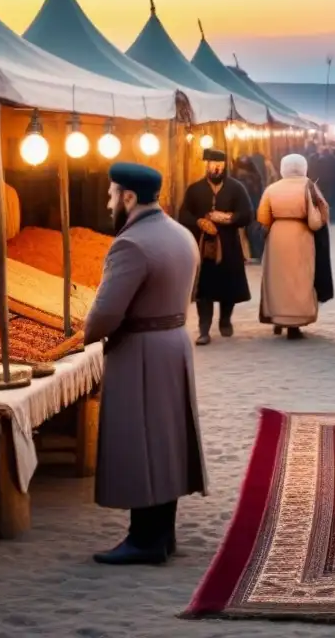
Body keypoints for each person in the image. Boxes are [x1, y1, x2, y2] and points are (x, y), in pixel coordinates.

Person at [85, 162, 206, 565]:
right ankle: (161, 534)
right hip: (174, 342)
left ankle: (145, 539)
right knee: (165, 441)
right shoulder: (181, 233)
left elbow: (105, 313)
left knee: (141, 443)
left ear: (129, 197)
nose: (108, 202)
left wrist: (84, 335)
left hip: (141, 349)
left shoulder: (130, 243)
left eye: (111, 194)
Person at [179, 149, 254, 345]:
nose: (216, 169)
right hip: (203, 246)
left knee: (227, 283)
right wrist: (199, 222)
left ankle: (225, 319)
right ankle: (204, 330)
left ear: (225, 167)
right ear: (207, 166)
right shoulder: (194, 189)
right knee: (204, 288)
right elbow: (183, 215)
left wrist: (230, 218)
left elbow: (247, 214)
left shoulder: (236, 188)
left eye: (219, 166)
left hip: (228, 244)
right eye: (212, 165)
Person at [257, 154, 331, 339]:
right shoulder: (310, 186)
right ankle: (294, 324)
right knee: (300, 278)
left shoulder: (272, 189)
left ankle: (277, 317)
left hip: (277, 236)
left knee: (278, 278)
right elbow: (323, 212)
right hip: (302, 235)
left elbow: (263, 217)